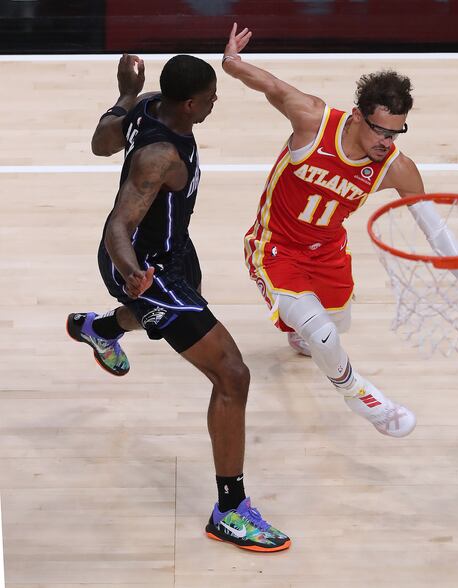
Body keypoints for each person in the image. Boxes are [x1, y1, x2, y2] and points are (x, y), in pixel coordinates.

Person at [222, 24, 458, 438]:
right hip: (275, 248)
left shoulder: (396, 167)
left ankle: (304, 334)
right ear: (358, 115)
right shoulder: (312, 120)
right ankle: (361, 396)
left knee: (335, 325)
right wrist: (232, 62)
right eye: (380, 130)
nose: (387, 141)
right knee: (325, 334)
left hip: (327, 252)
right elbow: (270, 85)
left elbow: (434, 229)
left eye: (396, 131)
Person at [66, 53, 290, 552]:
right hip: (148, 269)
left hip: (171, 251)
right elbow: (117, 226)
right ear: (190, 103)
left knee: (169, 326)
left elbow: (101, 144)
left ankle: (101, 330)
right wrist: (133, 275)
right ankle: (229, 511)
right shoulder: (161, 156)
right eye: (211, 96)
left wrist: (125, 94)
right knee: (233, 374)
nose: (216, 102)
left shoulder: (148, 105)